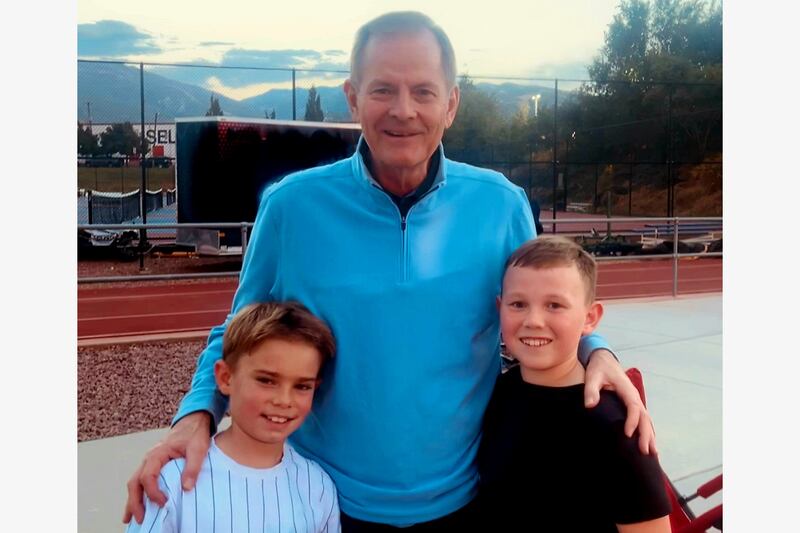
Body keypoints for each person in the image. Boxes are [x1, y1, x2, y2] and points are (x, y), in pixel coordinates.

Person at [125, 11, 655, 531]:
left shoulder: (501, 204)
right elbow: (237, 331)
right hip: (330, 502)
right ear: (353, 97)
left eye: (424, 91)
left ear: (451, 104)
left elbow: (547, 298)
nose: (404, 110)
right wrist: (196, 416)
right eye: (383, 90)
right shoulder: (291, 206)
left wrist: (596, 349)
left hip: (467, 502)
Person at [478, 236, 671, 532]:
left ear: (589, 318)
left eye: (554, 305)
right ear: (499, 307)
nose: (534, 320)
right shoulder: (501, 391)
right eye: (518, 304)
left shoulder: (617, 427)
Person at [127, 302, 341, 533]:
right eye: (267, 380)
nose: (284, 400)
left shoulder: (317, 486)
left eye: (302, 386)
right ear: (226, 378)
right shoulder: (172, 481)